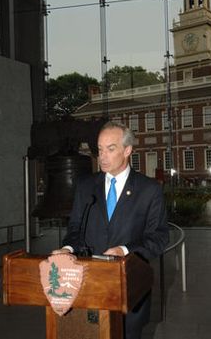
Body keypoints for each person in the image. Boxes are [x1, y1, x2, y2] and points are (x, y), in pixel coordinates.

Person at [54, 121, 169, 339]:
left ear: (127, 150)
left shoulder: (149, 189)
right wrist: (68, 248)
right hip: (89, 285)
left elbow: (159, 237)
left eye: (111, 148)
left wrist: (125, 250)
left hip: (129, 288)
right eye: (99, 149)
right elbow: (76, 228)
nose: (102, 156)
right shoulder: (85, 185)